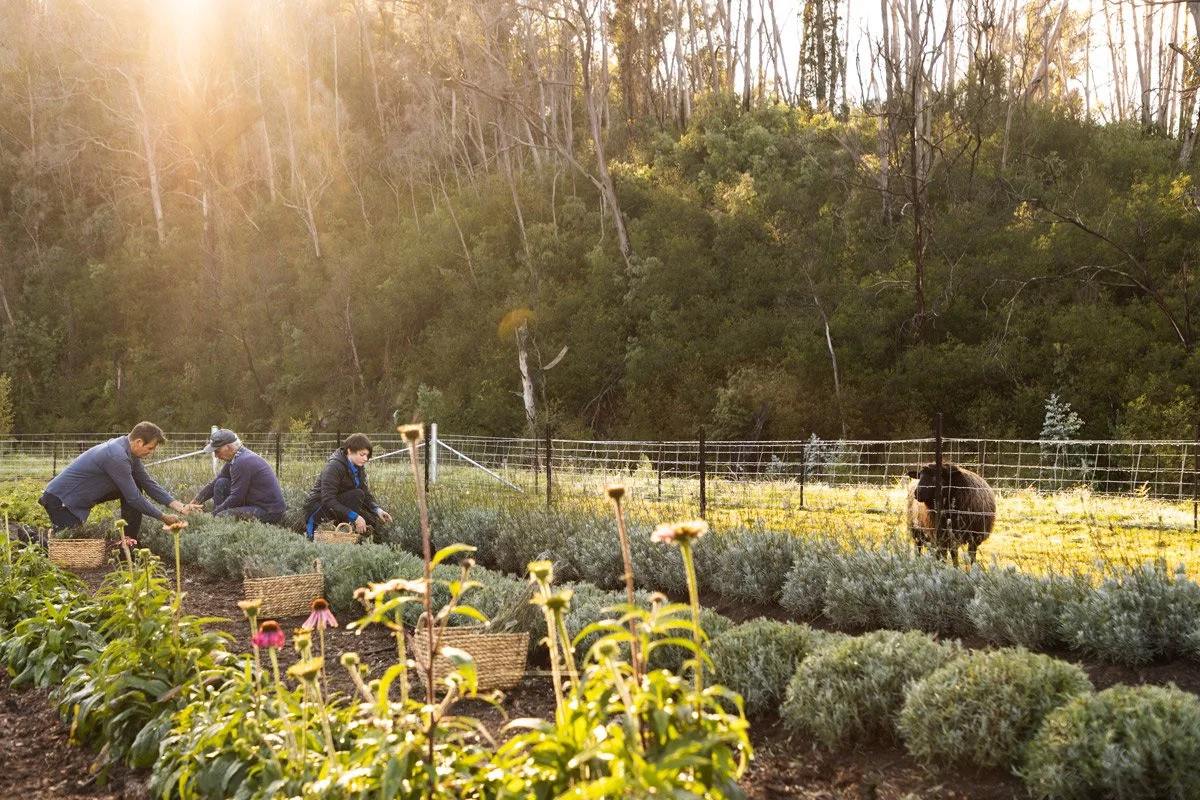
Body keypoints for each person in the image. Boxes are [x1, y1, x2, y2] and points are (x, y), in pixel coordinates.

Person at [38, 421, 188, 534]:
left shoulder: (129, 453)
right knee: (68, 549)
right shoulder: (117, 456)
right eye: (149, 448)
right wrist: (162, 517)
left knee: (136, 483)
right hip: (60, 500)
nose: (151, 453)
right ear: (139, 442)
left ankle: (129, 544)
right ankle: (30, 537)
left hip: (73, 499)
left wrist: (180, 507)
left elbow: (148, 483)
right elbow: (134, 498)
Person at [301, 433, 393, 539]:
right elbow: (328, 500)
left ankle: (344, 535)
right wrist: (355, 517)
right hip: (318, 508)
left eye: (367, 455)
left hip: (336, 506)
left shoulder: (358, 467)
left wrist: (377, 510)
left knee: (365, 509)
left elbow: (365, 493)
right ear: (349, 451)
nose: (365, 459)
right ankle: (324, 534)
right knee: (357, 497)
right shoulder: (334, 466)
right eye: (362, 455)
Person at [184, 429, 287, 523]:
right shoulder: (236, 457)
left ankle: (218, 524)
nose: (216, 455)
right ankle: (219, 524)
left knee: (222, 516)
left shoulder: (242, 462)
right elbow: (215, 482)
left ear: (228, 447)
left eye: (217, 451)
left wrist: (213, 515)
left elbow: (236, 498)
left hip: (269, 511)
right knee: (221, 483)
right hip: (255, 504)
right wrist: (194, 502)